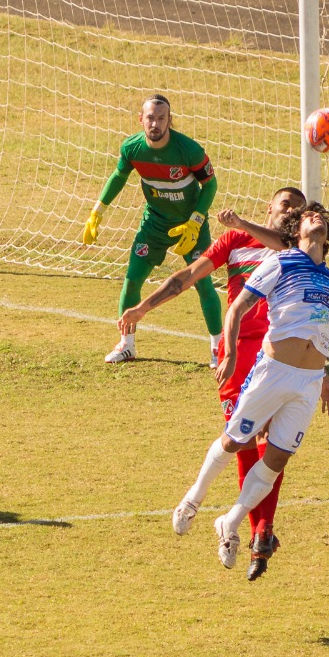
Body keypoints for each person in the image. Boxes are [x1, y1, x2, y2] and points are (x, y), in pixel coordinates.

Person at [120, 187, 305, 580]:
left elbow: (285, 241)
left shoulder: (296, 250)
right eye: (285, 202)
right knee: (239, 440)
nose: (291, 209)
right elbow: (186, 276)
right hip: (237, 354)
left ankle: (256, 529)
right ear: (269, 205)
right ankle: (214, 513)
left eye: (298, 207)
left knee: (272, 446)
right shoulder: (235, 242)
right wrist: (143, 308)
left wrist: (242, 221)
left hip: (278, 355)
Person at [170, 202, 329, 571]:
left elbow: (318, 332)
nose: (317, 221)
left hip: (308, 383)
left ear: (328, 236)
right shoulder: (280, 262)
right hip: (272, 371)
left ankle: (230, 521)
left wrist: (325, 378)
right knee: (235, 441)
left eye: (322, 219)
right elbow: (237, 308)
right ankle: (193, 499)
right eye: (310, 218)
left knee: (277, 458)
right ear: (297, 232)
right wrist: (229, 353)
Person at [80, 95, 224, 365]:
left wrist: (195, 221)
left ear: (170, 119)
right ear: (140, 119)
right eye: (150, 118)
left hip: (190, 227)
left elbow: (211, 185)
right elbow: (119, 176)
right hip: (154, 223)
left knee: (203, 283)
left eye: (161, 118)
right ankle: (127, 345)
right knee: (132, 280)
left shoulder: (189, 150)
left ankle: (218, 347)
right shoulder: (132, 148)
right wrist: (97, 211)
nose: (155, 123)